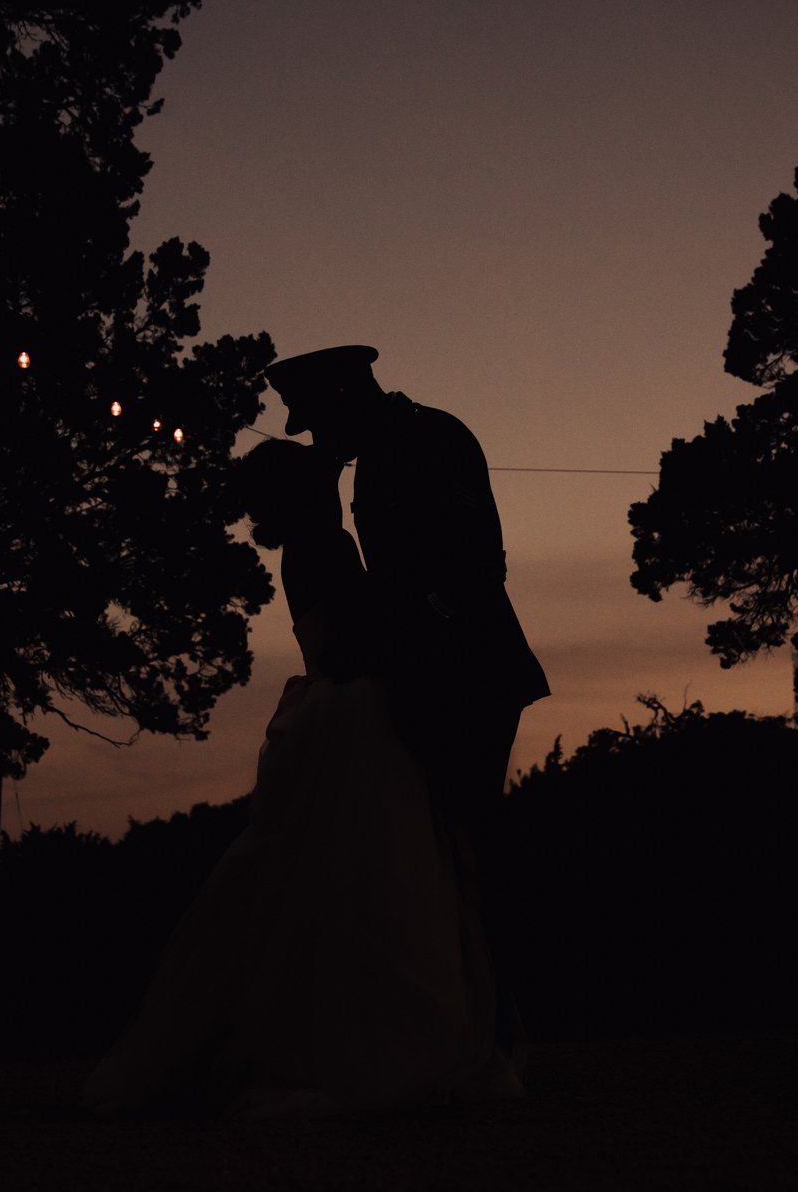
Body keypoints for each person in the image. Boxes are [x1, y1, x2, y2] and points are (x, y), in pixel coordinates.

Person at [80, 437, 522, 1121]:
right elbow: (350, 643)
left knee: (341, 876)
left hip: (341, 712)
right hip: (355, 713)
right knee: (369, 876)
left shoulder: (314, 546)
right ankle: (364, 1047)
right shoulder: (325, 548)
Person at [259, 344, 550, 1066]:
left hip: (469, 672)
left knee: (473, 842)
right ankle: (484, 1024)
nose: (319, 441)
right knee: (451, 845)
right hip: (434, 672)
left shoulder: (427, 440)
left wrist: (414, 631)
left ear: (343, 396)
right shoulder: (395, 447)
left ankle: (497, 1030)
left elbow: (473, 563)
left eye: (318, 422)